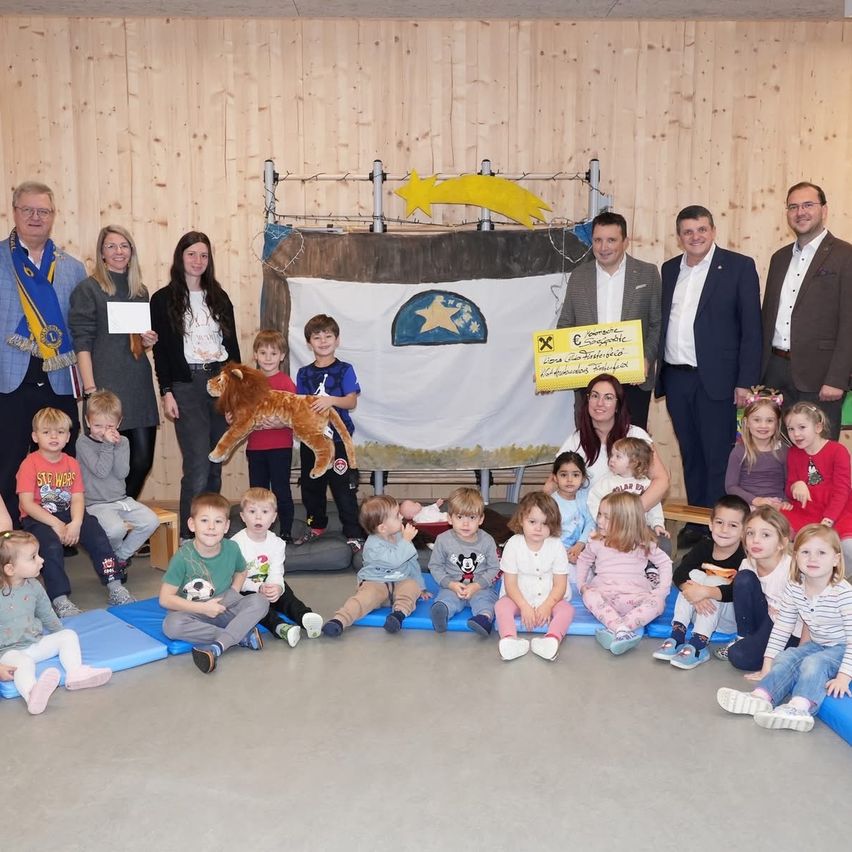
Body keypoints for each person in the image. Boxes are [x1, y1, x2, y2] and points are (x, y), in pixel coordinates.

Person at [656, 205, 762, 547]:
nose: (695, 237)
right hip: (677, 376)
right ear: (679, 237)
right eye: (688, 232)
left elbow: (752, 330)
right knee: (691, 452)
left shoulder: (738, 267)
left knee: (718, 455)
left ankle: (720, 526)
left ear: (713, 231)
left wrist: (745, 382)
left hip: (718, 379)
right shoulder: (670, 268)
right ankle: (698, 522)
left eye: (701, 230)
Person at [0, 181, 85, 523]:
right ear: (14, 212)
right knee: (8, 461)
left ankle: (55, 536)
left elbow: (84, 328)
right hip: (9, 378)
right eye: (28, 210)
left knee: (59, 466)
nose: (36, 217)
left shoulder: (73, 268)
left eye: (43, 211)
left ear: (53, 216)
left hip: (58, 380)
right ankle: (9, 541)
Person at [717, 524, 852, 733]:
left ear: (835, 559)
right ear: (796, 556)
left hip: (844, 647)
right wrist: (767, 665)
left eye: (821, 553)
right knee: (788, 656)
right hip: (819, 642)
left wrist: (843, 677)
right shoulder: (795, 586)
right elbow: (781, 628)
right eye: (805, 552)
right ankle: (762, 697)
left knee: (815, 662)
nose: (812, 559)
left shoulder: (843, 593)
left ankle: (800, 707)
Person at [151, 232, 240, 540]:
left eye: (203, 255)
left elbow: (233, 349)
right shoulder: (162, 300)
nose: (198, 261)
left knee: (216, 459)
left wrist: (235, 397)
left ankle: (211, 530)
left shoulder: (220, 297)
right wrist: (166, 391)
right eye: (192, 254)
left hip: (220, 382)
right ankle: (190, 538)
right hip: (186, 384)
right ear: (181, 257)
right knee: (198, 465)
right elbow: (160, 352)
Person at [68, 225, 159, 498]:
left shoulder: (140, 291)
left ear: (131, 252)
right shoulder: (89, 289)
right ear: (102, 253)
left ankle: (123, 513)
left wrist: (147, 342)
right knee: (106, 466)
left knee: (141, 461)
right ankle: (112, 524)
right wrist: (91, 390)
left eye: (124, 245)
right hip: (105, 388)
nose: (118, 251)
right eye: (111, 246)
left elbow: (131, 342)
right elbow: (82, 343)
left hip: (138, 385)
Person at [17, 407, 129, 617]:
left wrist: (76, 523)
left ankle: (115, 586)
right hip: (38, 517)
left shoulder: (71, 463)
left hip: (70, 514)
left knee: (97, 534)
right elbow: (27, 503)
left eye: (59, 432)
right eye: (46, 432)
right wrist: (56, 524)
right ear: (35, 436)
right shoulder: (29, 464)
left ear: (68, 436)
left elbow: (78, 498)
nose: (53, 437)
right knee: (50, 546)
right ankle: (60, 599)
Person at [760, 182, 852, 440]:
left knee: (818, 459)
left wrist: (837, 378)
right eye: (793, 206)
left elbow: (849, 323)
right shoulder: (778, 258)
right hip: (776, 373)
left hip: (821, 377)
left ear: (824, 210)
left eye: (808, 205)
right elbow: (769, 316)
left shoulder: (846, 256)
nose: (800, 212)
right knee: (779, 455)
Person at [557, 211, 662, 430]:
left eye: (611, 240)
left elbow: (656, 324)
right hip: (589, 381)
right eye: (598, 240)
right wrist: (552, 367)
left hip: (634, 380)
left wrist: (646, 359)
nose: (604, 247)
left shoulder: (647, 273)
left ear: (625, 242)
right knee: (591, 447)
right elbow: (565, 325)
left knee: (632, 450)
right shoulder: (578, 276)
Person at [0, 531, 112, 714]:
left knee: (68, 635)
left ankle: (75, 673)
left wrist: (59, 634)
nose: (41, 560)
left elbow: (47, 614)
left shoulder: (34, 586)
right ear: (10, 569)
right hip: (8, 652)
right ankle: (32, 694)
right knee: (24, 664)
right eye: (33, 557)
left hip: (34, 642)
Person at [160, 492, 269, 674]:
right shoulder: (182, 557)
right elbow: (165, 599)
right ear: (191, 524)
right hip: (194, 611)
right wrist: (203, 609)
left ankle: (218, 646)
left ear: (226, 526)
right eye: (204, 521)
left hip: (225, 605)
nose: (211, 527)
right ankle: (240, 636)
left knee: (260, 601)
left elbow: (242, 570)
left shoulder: (232, 548)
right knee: (171, 625)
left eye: (218, 522)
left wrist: (233, 591)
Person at [652, 494, 749, 669]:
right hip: (700, 609)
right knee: (693, 575)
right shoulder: (705, 546)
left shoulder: (744, 557)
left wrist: (706, 592)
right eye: (719, 523)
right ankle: (677, 635)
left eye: (733, 525)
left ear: (743, 531)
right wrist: (697, 594)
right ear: (711, 524)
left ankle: (698, 646)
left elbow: (737, 592)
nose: (724, 530)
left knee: (712, 580)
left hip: (727, 619)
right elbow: (679, 573)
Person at [294, 314, 364, 551]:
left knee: (343, 488)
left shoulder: (345, 369)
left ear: (337, 340)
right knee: (311, 487)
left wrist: (330, 401)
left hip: (338, 440)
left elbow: (351, 401)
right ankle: (316, 525)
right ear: (309, 342)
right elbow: (300, 404)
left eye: (328, 336)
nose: (323, 341)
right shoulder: (303, 373)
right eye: (317, 337)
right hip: (312, 442)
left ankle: (354, 532)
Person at [553, 373, 670, 513]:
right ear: (588, 400)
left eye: (608, 397)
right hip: (588, 522)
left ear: (617, 406)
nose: (600, 403)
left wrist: (630, 514)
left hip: (630, 521)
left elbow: (661, 480)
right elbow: (554, 482)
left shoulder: (636, 435)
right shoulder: (575, 440)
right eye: (595, 396)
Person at [577, 492, 673, 655]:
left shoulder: (642, 543)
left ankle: (618, 629)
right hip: (605, 596)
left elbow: (664, 562)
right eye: (600, 514)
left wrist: (662, 590)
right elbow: (583, 560)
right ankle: (621, 629)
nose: (599, 520)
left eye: (607, 517)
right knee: (588, 595)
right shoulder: (596, 542)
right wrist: (581, 585)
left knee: (658, 602)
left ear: (625, 521)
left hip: (635, 597)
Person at [75, 390, 159, 571]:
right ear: (88, 421)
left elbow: (122, 473)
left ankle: (119, 557)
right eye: (97, 425)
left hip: (121, 499)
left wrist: (117, 445)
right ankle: (108, 556)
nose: (104, 432)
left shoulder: (124, 442)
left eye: (109, 426)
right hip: (96, 503)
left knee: (151, 521)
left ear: (119, 423)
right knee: (116, 530)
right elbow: (101, 472)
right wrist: (107, 445)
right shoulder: (83, 443)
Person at [322, 495, 426, 637]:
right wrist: (407, 541)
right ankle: (339, 620)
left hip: (400, 581)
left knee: (411, 588)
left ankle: (398, 615)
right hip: (375, 582)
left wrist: (421, 587)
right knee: (363, 599)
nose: (401, 517)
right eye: (396, 516)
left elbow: (412, 561)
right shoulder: (372, 545)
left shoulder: (400, 537)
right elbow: (394, 560)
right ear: (383, 528)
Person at [230, 487, 323, 647]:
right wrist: (258, 588)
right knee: (256, 608)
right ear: (243, 517)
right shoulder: (235, 544)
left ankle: (305, 617)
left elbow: (276, 571)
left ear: (273, 517)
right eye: (252, 512)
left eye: (265, 512)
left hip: (269, 585)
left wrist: (277, 588)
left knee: (287, 595)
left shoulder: (277, 544)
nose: (258, 517)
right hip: (246, 587)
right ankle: (280, 627)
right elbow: (234, 579)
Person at [494, 492, 574, 662]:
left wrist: (547, 606)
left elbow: (560, 584)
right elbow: (510, 584)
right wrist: (524, 606)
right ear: (521, 520)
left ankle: (551, 640)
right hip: (517, 596)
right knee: (501, 606)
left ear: (553, 525)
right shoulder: (513, 544)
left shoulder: (556, 545)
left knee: (567, 610)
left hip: (550, 596)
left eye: (545, 524)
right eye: (532, 522)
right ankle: (509, 640)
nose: (538, 528)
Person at [721, 506, 799, 671]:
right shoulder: (747, 563)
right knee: (743, 579)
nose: (755, 540)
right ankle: (743, 637)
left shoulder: (792, 570)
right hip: (766, 619)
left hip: (788, 628)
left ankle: (780, 655)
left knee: (739, 657)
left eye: (765, 535)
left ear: (782, 543)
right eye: (750, 533)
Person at [244, 330, 297, 541]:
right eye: (263, 352)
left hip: (280, 446)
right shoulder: (249, 382)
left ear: (282, 356)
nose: (268, 358)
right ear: (255, 355)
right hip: (255, 448)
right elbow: (242, 411)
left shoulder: (286, 383)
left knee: (281, 490)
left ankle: (285, 532)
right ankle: (258, 531)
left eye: (273, 353)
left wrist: (280, 421)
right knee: (257, 492)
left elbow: (296, 415)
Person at [428, 487, 500, 636]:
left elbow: (494, 568)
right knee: (446, 599)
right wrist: (451, 584)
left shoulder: (487, 540)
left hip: (481, 587)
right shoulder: (443, 540)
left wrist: (477, 585)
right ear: (449, 518)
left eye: (472, 518)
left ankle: (483, 619)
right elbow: (435, 566)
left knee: (486, 601)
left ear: (481, 519)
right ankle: (442, 614)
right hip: (453, 587)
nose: (465, 524)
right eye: (460, 517)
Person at [781, 403, 852, 549]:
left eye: (802, 427)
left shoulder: (838, 451)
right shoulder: (793, 453)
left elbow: (842, 491)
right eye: (790, 429)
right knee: (776, 531)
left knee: (847, 547)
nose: (796, 434)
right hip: (806, 511)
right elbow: (789, 491)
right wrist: (796, 485)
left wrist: (827, 521)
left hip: (837, 511)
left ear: (818, 427)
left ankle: (839, 571)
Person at [587, 437, 667, 539]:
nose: (612, 459)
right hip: (613, 531)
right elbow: (593, 501)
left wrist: (657, 524)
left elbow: (654, 506)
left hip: (639, 532)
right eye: (611, 455)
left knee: (660, 544)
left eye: (618, 456)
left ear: (634, 462)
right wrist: (601, 522)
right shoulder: (607, 482)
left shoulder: (646, 484)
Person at [724, 390, 788, 508]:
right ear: (747, 422)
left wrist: (785, 501)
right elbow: (731, 486)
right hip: (748, 504)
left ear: (777, 424)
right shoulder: (739, 451)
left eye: (769, 420)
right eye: (757, 420)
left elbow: (789, 481)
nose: (763, 425)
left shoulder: (784, 451)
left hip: (776, 505)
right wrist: (756, 500)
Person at [550, 451, 594, 565]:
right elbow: (548, 534)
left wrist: (580, 544)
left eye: (575, 475)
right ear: (555, 477)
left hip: (582, 550)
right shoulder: (550, 502)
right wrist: (563, 554)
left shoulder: (586, 498)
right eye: (564, 475)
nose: (570, 480)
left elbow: (591, 522)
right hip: (556, 554)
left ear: (583, 478)